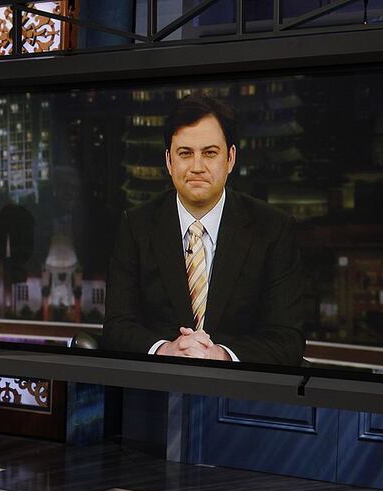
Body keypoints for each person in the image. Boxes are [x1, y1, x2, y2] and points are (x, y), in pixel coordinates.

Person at [103, 95, 304, 366]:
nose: (197, 167)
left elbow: (288, 338)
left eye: (210, 153)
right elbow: (117, 326)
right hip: (158, 388)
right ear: (168, 161)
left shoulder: (273, 228)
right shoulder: (135, 226)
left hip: (239, 391)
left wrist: (220, 354)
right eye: (185, 153)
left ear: (230, 158)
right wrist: (166, 350)